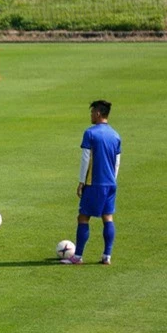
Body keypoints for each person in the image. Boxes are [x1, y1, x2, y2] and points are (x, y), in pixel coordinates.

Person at [62, 100, 121, 265]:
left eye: (92, 112)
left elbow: (85, 159)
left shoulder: (91, 133)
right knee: (107, 217)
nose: (90, 115)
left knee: (83, 217)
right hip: (110, 183)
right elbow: (117, 162)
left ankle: (78, 256)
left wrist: (81, 182)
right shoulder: (116, 135)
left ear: (98, 113)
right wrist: (112, 180)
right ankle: (106, 256)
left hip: (94, 184)